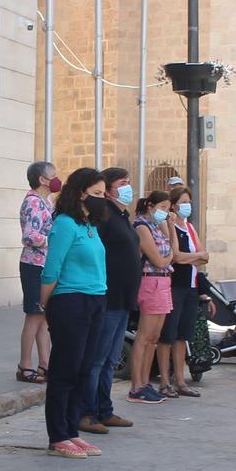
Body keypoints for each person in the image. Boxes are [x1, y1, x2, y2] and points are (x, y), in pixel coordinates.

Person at [39, 168, 109, 458]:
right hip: (70, 301)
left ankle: (71, 430)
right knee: (65, 370)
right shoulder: (65, 224)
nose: (101, 199)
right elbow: (51, 269)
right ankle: (58, 435)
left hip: (95, 299)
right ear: (81, 193)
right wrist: (46, 306)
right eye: (96, 194)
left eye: (104, 194)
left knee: (84, 369)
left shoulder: (90, 226)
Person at [83, 167, 142, 430]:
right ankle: (88, 413)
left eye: (129, 182)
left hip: (124, 298)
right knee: (97, 358)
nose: (128, 187)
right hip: (108, 296)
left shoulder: (121, 215)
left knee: (110, 359)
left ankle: (105, 409)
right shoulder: (103, 216)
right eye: (123, 183)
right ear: (107, 189)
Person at [127, 191, 175, 404]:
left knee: (154, 338)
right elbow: (160, 260)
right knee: (144, 337)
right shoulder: (141, 226)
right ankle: (136, 385)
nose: (166, 212)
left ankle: (145, 382)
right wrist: (171, 254)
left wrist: (170, 225)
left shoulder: (157, 226)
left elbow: (171, 248)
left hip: (163, 281)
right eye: (163, 207)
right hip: (151, 280)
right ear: (150, 205)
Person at [160, 181, 207, 398]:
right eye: (183, 202)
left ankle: (180, 380)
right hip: (175, 285)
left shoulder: (189, 227)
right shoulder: (171, 226)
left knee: (182, 336)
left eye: (189, 202)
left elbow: (203, 255)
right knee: (167, 335)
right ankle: (164, 381)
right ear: (174, 206)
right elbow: (176, 256)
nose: (188, 206)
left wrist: (194, 257)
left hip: (191, 287)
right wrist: (195, 257)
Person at [17, 160, 58, 383]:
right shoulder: (33, 202)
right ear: (42, 180)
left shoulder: (47, 201)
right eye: (53, 175)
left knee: (43, 317)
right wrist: (54, 241)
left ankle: (45, 363)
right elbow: (30, 236)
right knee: (34, 315)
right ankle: (25, 364)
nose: (57, 179)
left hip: (45, 265)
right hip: (34, 265)